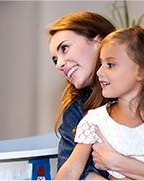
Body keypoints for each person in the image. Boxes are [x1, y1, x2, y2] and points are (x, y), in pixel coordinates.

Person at [55, 26, 144, 180]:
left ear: (140, 71)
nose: (99, 72)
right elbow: (71, 170)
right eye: (101, 64)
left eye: (110, 65)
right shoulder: (95, 121)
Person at [47, 11, 115, 179]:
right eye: (55, 60)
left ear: (98, 42)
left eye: (65, 48)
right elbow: (68, 170)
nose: (59, 65)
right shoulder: (78, 110)